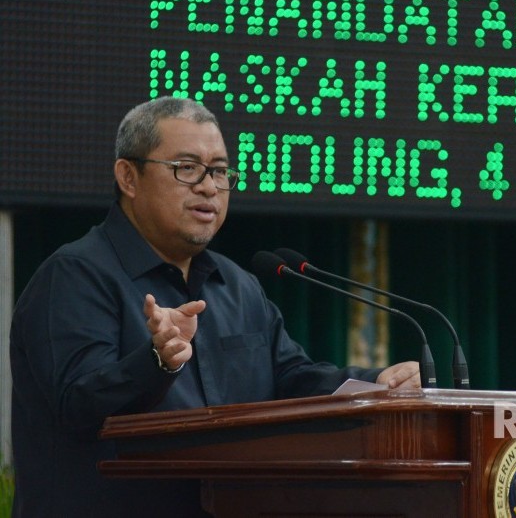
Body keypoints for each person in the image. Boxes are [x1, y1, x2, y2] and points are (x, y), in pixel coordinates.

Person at [9, 96, 420, 517]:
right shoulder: (74, 276)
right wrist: (157, 361)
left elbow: (289, 379)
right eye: (187, 168)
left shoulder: (237, 285)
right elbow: (77, 405)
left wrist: (375, 386)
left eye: (220, 171)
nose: (209, 186)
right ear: (128, 178)